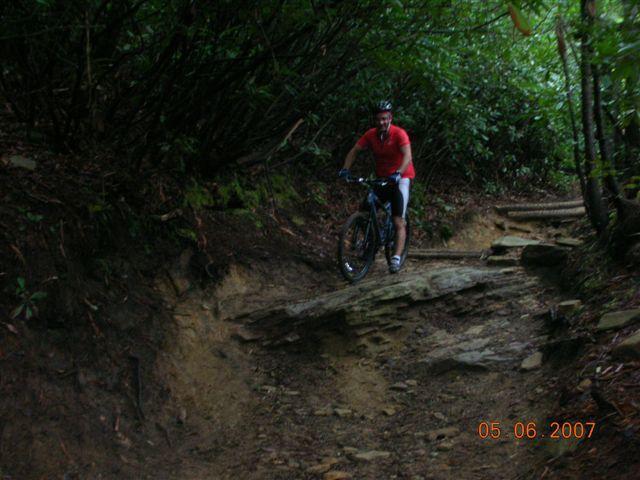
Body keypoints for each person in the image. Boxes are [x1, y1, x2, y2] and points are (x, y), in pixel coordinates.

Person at [338, 100, 415, 273]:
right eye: (379, 119)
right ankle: (368, 248)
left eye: (385, 119)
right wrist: (345, 169)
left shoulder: (399, 134)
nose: (382, 122)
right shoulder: (371, 135)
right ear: (375, 119)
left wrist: (398, 173)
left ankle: (395, 258)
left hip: (401, 177)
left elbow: (407, 156)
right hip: (382, 178)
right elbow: (354, 150)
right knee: (366, 208)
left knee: (398, 220)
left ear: (390, 118)